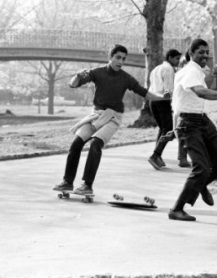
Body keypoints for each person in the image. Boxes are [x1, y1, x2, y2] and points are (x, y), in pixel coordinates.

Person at [53, 44, 167, 195]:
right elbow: (73, 85)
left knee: (95, 144)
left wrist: (163, 98)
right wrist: (78, 76)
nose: (120, 61)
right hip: (96, 115)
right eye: (118, 57)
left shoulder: (126, 78)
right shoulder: (97, 72)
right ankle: (67, 182)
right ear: (110, 57)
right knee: (76, 144)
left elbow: (144, 92)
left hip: (113, 117)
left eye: (123, 59)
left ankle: (87, 185)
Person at [169, 38, 217, 221]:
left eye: (206, 52)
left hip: (203, 120)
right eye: (200, 52)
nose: (205, 55)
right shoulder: (190, 71)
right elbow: (200, 92)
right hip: (188, 123)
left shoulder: (199, 71)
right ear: (191, 53)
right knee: (201, 167)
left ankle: (201, 186)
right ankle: (176, 209)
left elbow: (202, 92)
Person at [147, 49, 182, 170]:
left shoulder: (157, 68)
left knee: (162, 128)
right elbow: (169, 90)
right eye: (177, 59)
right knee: (168, 129)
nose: (178, 61)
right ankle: (155, 155)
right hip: (163, 101)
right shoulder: (169, 69)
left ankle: (158, 155)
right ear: (170, 57)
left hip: (153, 100)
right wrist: (173, 103)